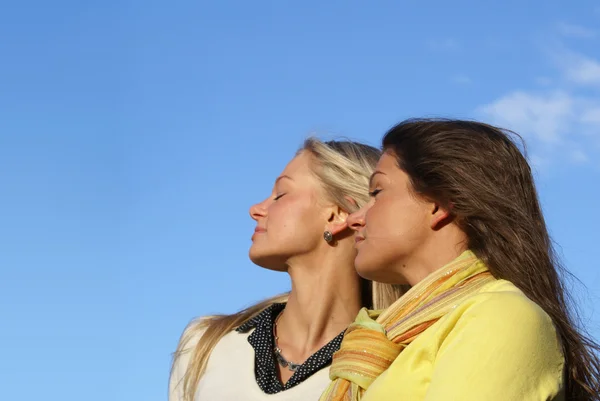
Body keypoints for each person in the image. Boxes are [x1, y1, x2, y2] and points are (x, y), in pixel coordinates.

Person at [320, 119, 600, 401]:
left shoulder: (501, 316)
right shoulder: (393, 341)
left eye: (377, 192)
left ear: (439, 204)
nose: (355, 219)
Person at [169, 138, 404, 401]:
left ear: (338, 215)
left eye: (280, 194)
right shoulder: (205, 343)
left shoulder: (393, 363)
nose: (256, 209)